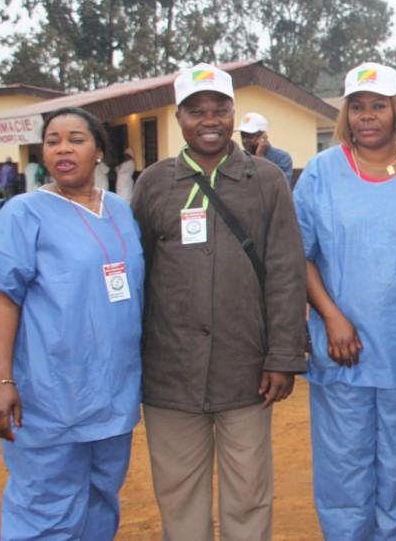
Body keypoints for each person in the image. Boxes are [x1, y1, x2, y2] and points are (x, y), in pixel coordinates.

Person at [131, 63, 308, 540]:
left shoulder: (267, 181)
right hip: (170, 373)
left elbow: (287, 273)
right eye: (196, 111)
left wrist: (283, 356)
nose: (209, 120)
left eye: (220, 110)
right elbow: (137, 275)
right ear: (179, 119)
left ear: (233, 114)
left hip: (246, 369)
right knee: (179, 498)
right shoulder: (153, 184)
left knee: (250, 495)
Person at [294, 62, 396, 540]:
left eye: (378, 106)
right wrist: (332, 316)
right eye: (357, 107)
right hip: (342, 352)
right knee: (343, 470)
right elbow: (300, 256)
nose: (367, 116)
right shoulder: (320, 173)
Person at [0, 106, 144, 539]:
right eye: (53, 140)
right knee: (45, 506)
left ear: (99, 152)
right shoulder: (24, 213)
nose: (63, 148)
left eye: (76, 138)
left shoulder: (120, 210)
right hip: (50, 395)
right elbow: (2, 295)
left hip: (113, 395)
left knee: (100, 499)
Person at [239, 111, 294, 183]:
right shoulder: (239, 158)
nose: (244, 140)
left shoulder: (282, 158)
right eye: (243, 136)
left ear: (263, 137)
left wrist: (260, 158)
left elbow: (279, 189)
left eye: (249, 136)